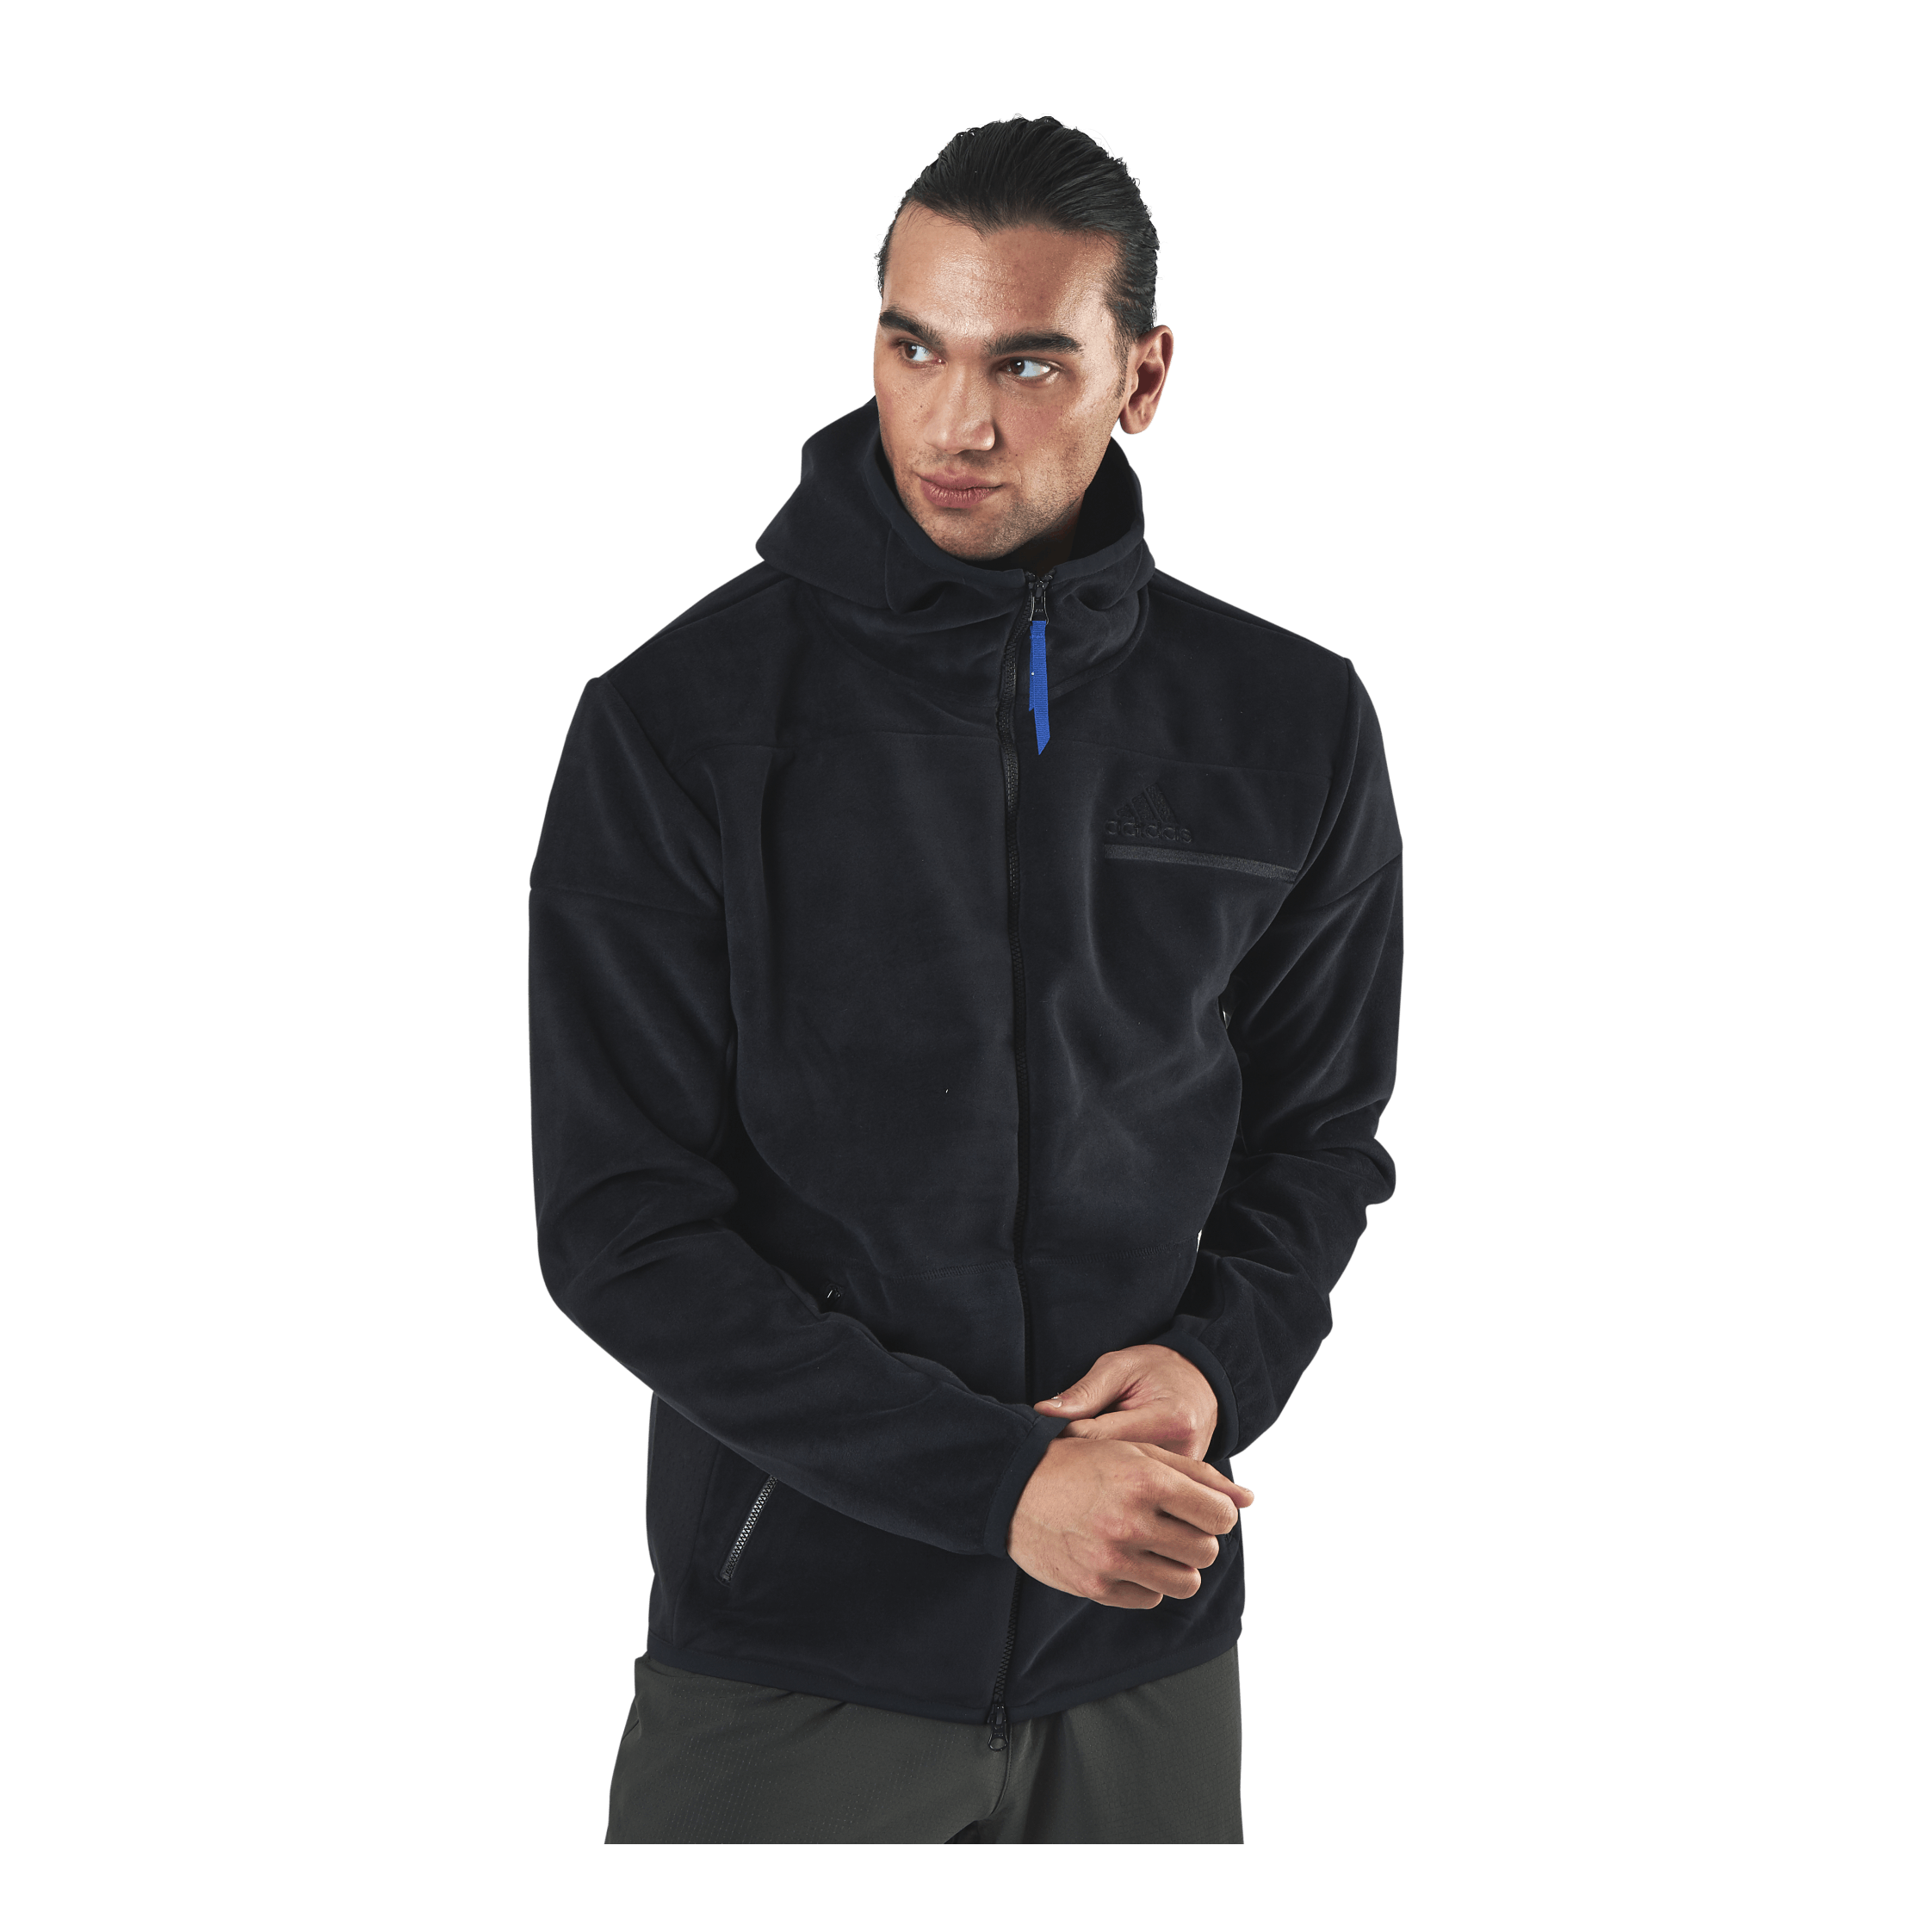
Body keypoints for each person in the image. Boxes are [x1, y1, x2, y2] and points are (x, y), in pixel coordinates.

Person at [528, 112, 1403, 1845]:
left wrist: (1219, 1369)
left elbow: (1325, 1135)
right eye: (913, 346)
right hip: (791, 1657)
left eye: (1027, 361)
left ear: (1143, 377)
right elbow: (617, 1225)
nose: (955, 422)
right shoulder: (679, 722)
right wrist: (1003, 1485)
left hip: (1144, 1641)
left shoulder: (1293, 720)